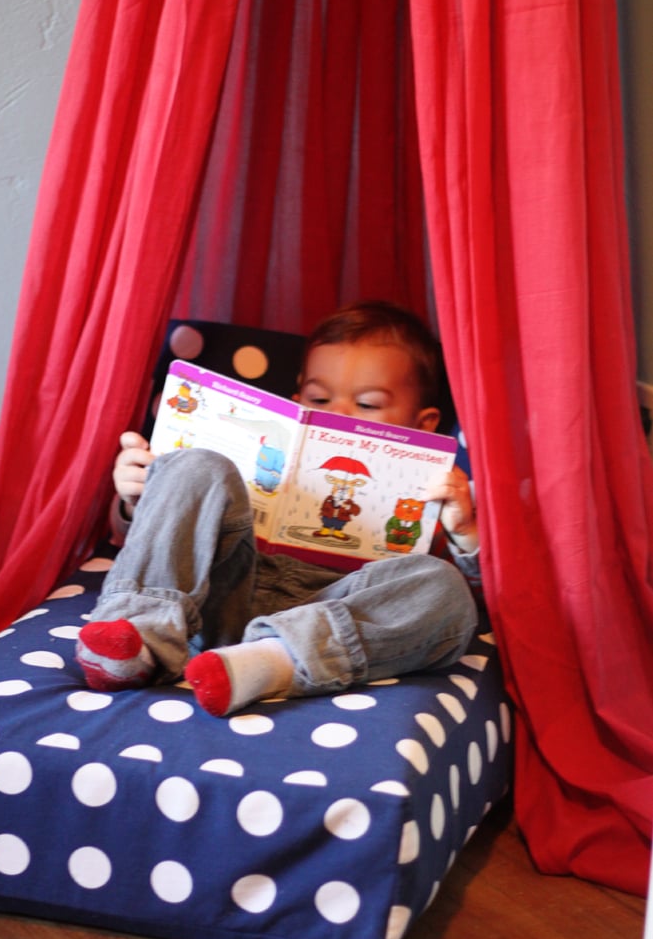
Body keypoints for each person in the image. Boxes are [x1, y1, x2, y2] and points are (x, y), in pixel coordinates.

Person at [75, 301, 480, 716]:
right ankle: (139, 637)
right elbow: (151, 540)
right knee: (196, 465)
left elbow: (486, 588)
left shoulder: (439, 488)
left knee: (446, 591)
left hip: (334, 608)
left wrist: (465, 530)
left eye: (368, 405)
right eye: (319, 398)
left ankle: (270, 663)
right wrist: (137, 498)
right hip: (218, 594)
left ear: (424, 423)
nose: (337, 414)